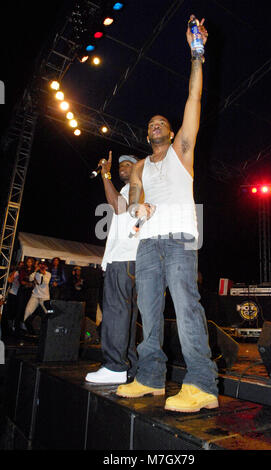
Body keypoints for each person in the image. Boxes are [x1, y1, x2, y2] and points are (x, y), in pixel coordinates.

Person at [116, 15, 219, 412]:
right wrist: (137, 210)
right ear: (147, 136)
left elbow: (193, 99)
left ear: (172, 133)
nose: (157, 124)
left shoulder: (182, 153)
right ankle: (151, 377)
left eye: (163, 123)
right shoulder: (140, 165)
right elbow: (131, 205)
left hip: (178, 240)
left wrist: (197, 54)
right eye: (151, 124)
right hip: (147, 244)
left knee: (186, 305)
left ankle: (202, 384)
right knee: (149, 311)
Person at [85, 153, 140, 385]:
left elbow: (118, 208)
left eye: (128, 165)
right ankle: (129, 366)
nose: (122, 168)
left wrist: (105, 175)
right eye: (120, 166)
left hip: (124, 259)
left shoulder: (135, 189)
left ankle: (115, 366)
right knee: (125, 317)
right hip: (131, 260)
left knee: (116, 313)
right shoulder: (132, 190)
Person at [22, 259, 51, 335]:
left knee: (48, 312)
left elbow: (45, 282)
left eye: (43, 265)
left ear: (46, 267)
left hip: (44, 297)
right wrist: (35, 271)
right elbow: (30, 278)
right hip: (35, 295)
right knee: (28, 311)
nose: (41, 266)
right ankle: (27, 329)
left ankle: (48, 329)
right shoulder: (35, 273)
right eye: (40, 265)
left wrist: (43, 273)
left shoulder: (48, 274)